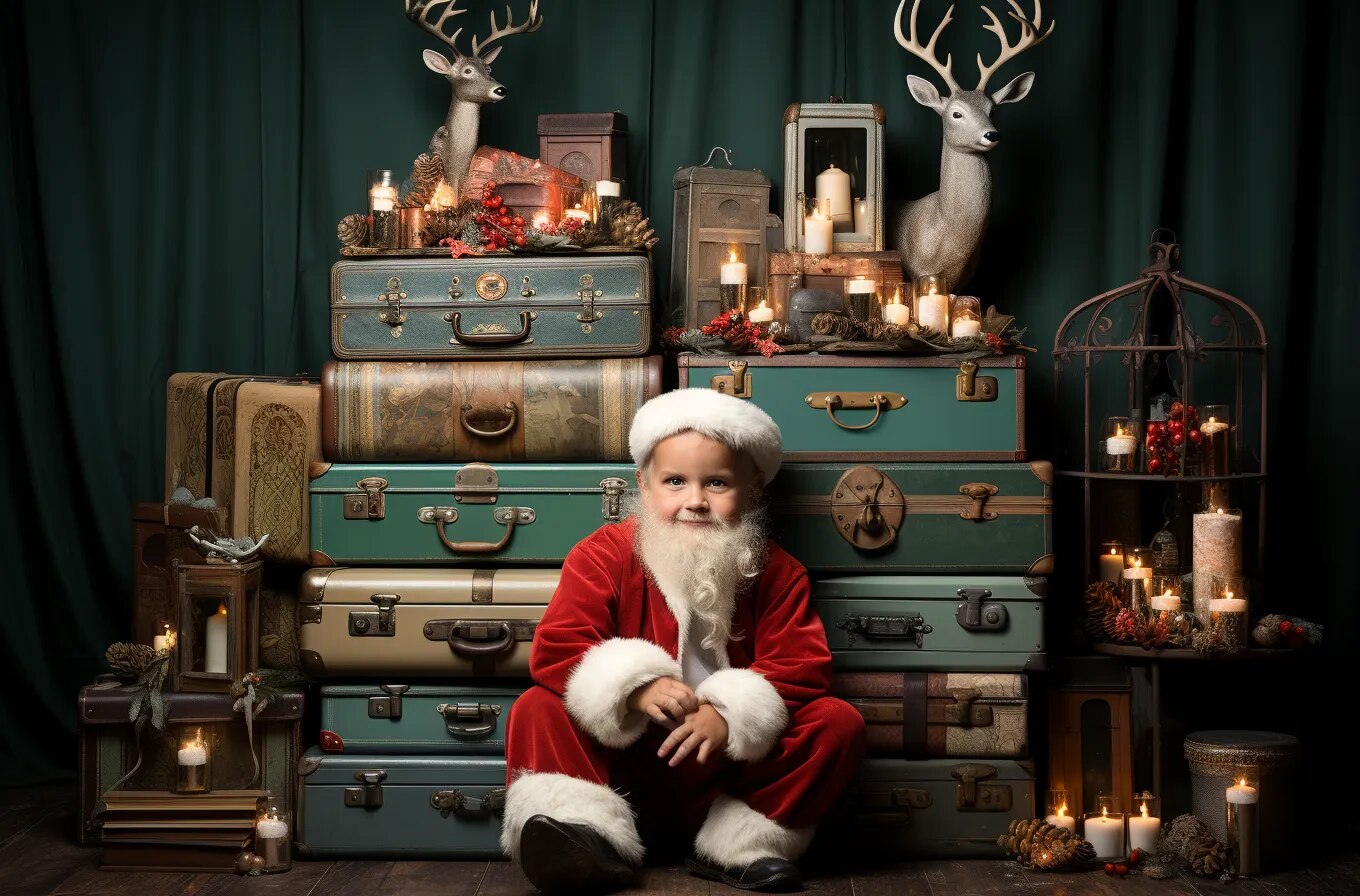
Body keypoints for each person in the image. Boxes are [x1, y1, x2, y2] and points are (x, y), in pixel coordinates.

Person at [500, 388, 865, 894]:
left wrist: (726, 713)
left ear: (753, 487)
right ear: (644, 487)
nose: (695, 501)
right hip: (623, 763)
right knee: (537, 708)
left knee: (837, 723)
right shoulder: (602, 556)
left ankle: (737, 846)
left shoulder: (779, 572)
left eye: (716, 483)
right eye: (675, 482)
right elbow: (560, 647)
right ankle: (587, 836)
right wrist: (636, 688)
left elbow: (802, 666)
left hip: (727, 773)